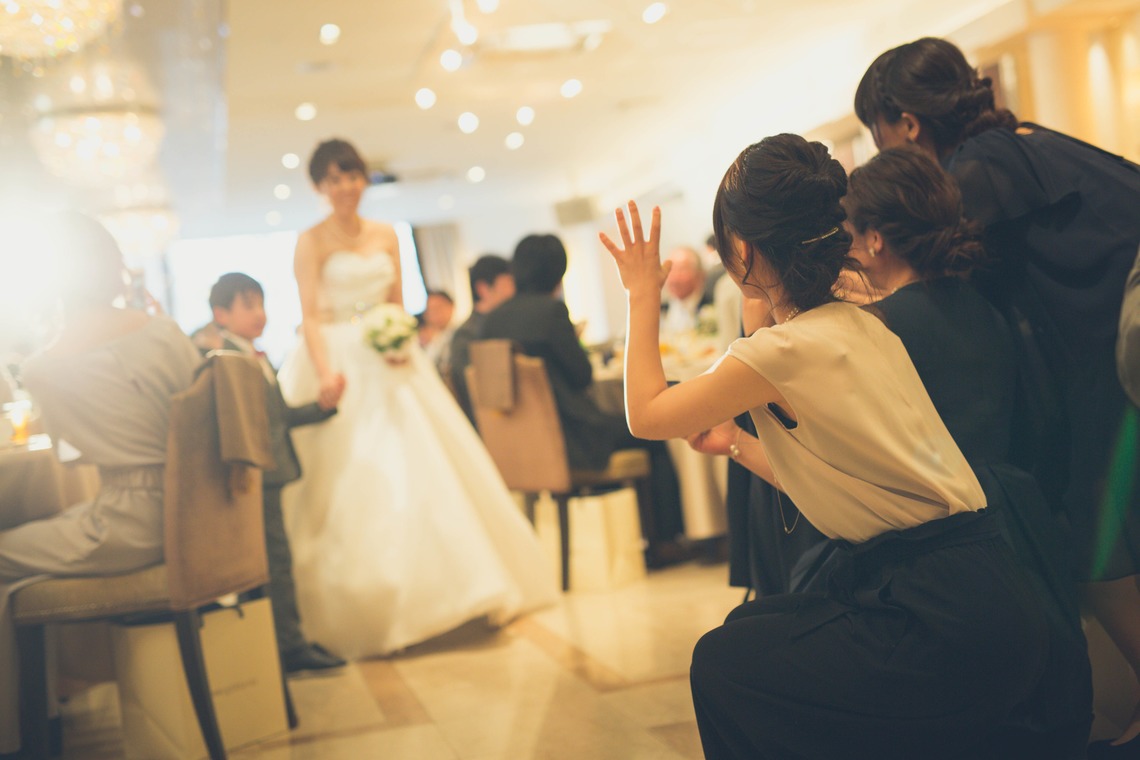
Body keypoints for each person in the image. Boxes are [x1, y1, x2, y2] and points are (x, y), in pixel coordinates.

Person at [601, 134, 1056, 758]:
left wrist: (640, 293)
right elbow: (837, 482)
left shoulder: (785, 352)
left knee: (725, 663)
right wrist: (736, 444)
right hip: (982, 595)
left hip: (940, 621)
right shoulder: (856, 327)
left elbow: (646, 415)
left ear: (738, 249)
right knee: (751, 632)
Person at [855, 38, 1140, 753]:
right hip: (1106, 343)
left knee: (1089, 530)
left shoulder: (976, 170)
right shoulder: (1026, 142)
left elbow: (940, 272)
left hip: (1104, 356)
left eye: (878, 132)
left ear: (907, 125)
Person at [276, 138, 557, 659]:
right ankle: (372, 607)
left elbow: (397, 303)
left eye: (353, 175)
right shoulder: (310, 240)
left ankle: (461, 590)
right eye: (334, 179)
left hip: (389, 358)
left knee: (425, 466)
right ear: (319, 187)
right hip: (337, 356)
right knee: (354, 475)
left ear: (365, 179)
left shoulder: (384, 234)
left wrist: (400, 340)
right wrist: (325, 372)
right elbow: (311, 315)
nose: (345, 188)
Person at [0, 213, 202, 756]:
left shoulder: (43, 367)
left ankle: (21, 735)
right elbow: (200, 417)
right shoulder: (164, 331)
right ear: (112, 267)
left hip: (129, 524)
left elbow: (71, 458)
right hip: (192, 518)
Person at [480, 233, 687, 565]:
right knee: (650, 431)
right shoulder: (551, 312)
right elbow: (582, 376)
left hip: (524, 446)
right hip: (574, 438)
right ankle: (665, 542)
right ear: (557, 271)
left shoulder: (492, 321)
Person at [191, 273, 345, 675]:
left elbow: (278, 419)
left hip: (271, 471)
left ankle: (280, 644)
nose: (260, 314)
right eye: (248, 305)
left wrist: (324, 405)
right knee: (273, 561)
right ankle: (287, 648)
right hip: (255, 476)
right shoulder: (225, 359)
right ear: (221, 314)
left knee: (275, 559)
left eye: (261, 304)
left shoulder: (255, 356)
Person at [448, 254, 515, 422]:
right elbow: (471, 389)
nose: (513, 291)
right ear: (483, 289)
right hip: (491, 421)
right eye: (507, 284)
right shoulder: (467, 335)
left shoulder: (507, 324)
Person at [659, 245, 710, 335]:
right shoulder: (661, 309)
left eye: (682, 270)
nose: (674, 278)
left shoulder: (711, 307)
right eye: (670, 270)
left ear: (700, 275)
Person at [417, 289, 455, 372]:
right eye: (430, 309)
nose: (434, 313)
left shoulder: (459, 333)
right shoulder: (421, 339)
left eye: (438, 307)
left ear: (451, 306)